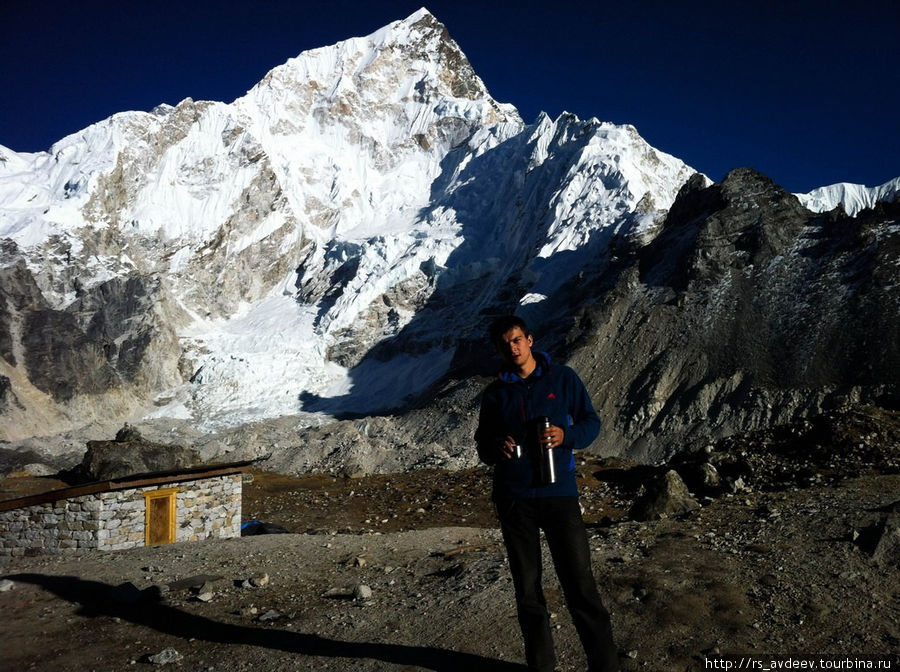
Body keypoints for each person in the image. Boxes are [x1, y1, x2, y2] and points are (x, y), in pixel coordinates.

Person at [474, 315, 619, 672]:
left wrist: (565, 436)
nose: (513, 347)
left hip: (560, 495)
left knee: (580, 584)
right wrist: (496, 446)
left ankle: (605, 665)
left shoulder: (563, 379)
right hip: (514, 498)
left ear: (530, 339)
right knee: (528, 591)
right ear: (499, 350)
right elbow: (482, 444)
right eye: (506, 343)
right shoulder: (495, 394)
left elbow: (591, 422)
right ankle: (541, 665)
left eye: (518, 339)